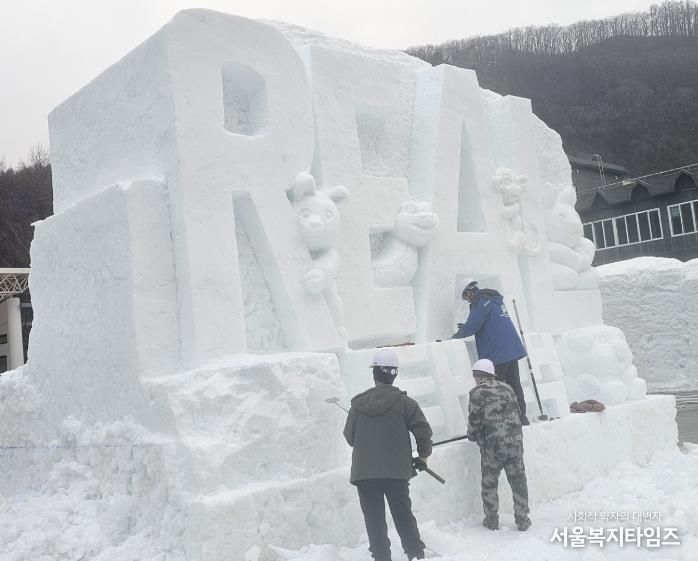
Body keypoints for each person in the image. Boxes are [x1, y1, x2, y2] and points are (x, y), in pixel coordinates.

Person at [343, 349, 433, 561]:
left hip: (365, 474)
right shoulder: (406, 403)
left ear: (374, 373)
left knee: (374, 519)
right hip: (396, 473)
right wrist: (423, 458)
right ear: (395, 374)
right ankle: (415, 553)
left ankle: (381, 557)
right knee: (403, 515)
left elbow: (350, 438)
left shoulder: (358, 406)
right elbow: (424, 433)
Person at [451, 279, 530, 425]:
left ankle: (503, 421)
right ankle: (522, 417)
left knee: (495, 388)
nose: (467, 300)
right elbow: (488, 322)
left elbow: (472, 327)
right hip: (510, 349)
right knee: (514, 383)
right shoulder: (493, 300)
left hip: (497, 352)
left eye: (465, 297)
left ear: (468, 292)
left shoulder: (481, 303)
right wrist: (467, 325)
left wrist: (454, 337)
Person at [466, 358, 531, 532]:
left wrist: (472, 436)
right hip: (515, 443)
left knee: (490, 484)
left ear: (481, 376)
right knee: (518, 481)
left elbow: (474, 419)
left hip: (492, 446)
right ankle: (523, 519)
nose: (475, 380)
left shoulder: (476, 393)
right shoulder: (508, 388)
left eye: (475, 376)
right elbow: (517, 411)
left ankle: (491, 520)